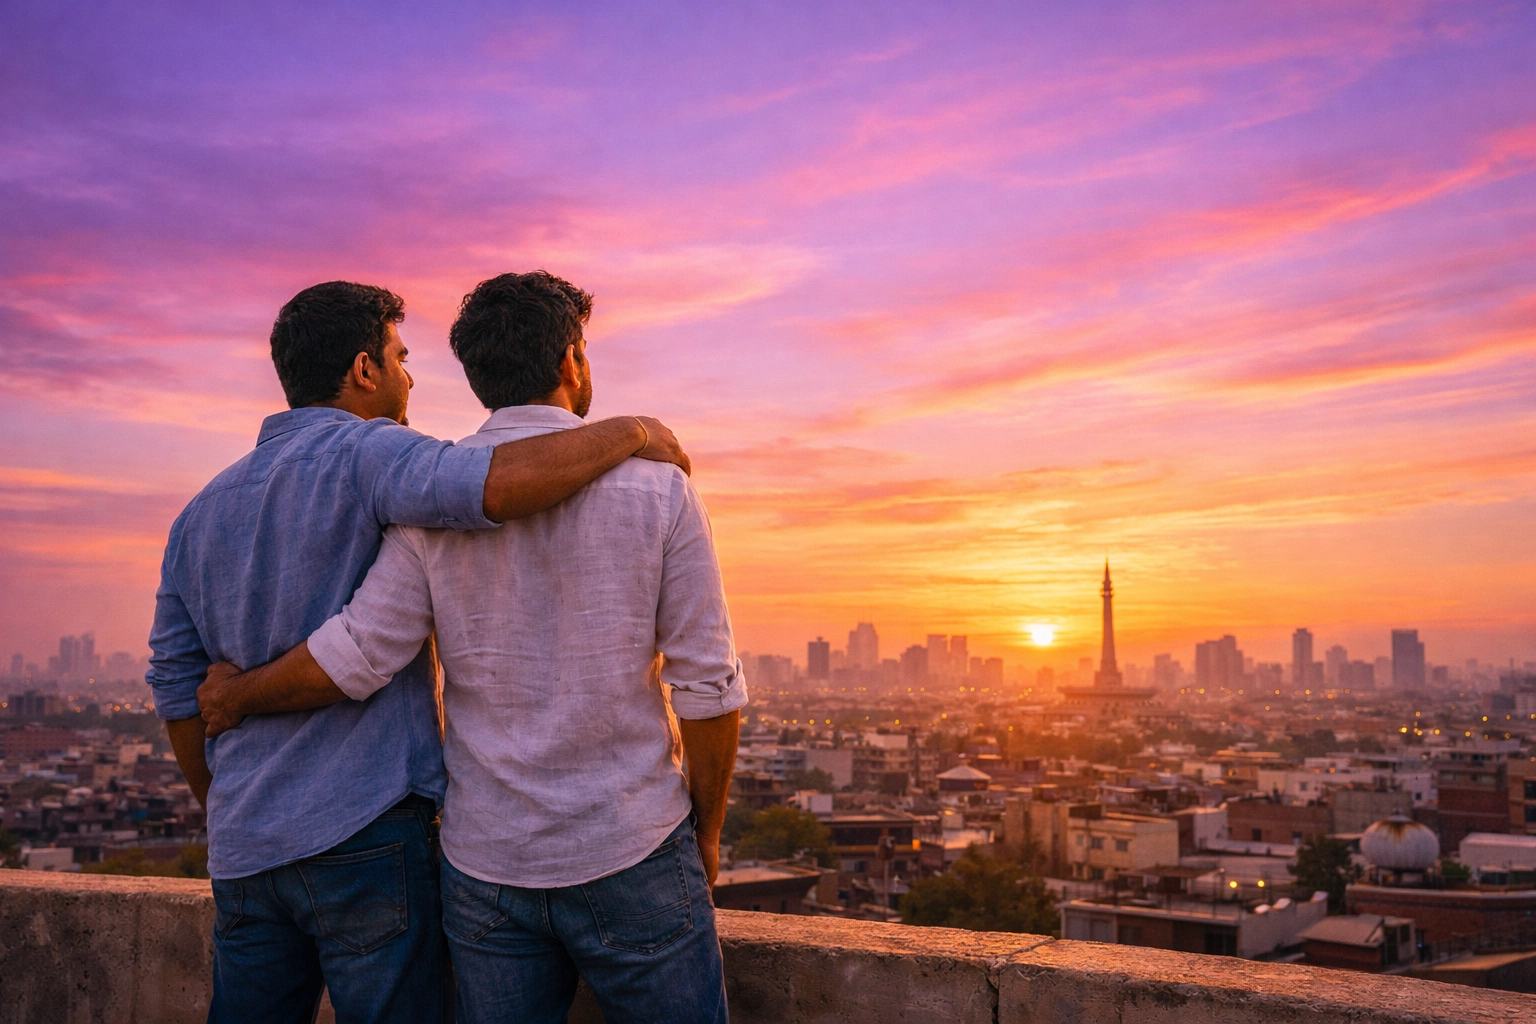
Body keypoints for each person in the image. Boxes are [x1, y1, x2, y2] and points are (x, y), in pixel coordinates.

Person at [199, 271, 744, 1024]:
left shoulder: (429, 511)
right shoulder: (658, 492)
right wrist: (706, 833)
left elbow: (358, 656)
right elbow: (708, 689)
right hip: (633, 844)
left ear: (478, 375)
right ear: (572, 360)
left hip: (487, 865)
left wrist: (238, 695)